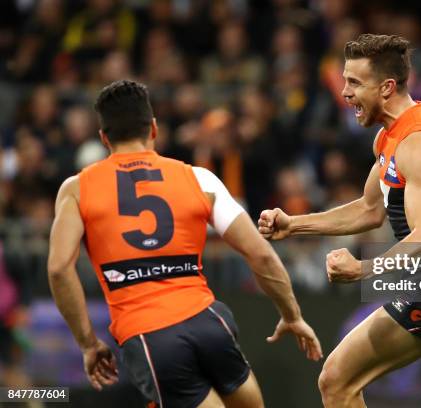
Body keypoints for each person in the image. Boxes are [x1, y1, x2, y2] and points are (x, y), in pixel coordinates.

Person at [258, 34, 421, 407]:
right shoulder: (390, 135)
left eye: (354, 83)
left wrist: (365, 269)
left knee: (336, 381)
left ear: (386, 87)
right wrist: (294, 225)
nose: (345, 93)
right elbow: (370, 209)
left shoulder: (418, 143)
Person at [47, 80, 322, 408]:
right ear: (153, 128)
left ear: (104, 137)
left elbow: (59, 268)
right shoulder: (198, 178)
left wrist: (88, 344)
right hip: (209, 322)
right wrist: (292, 315)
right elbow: (260, 253)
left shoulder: (77, 189)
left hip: (151, 337)